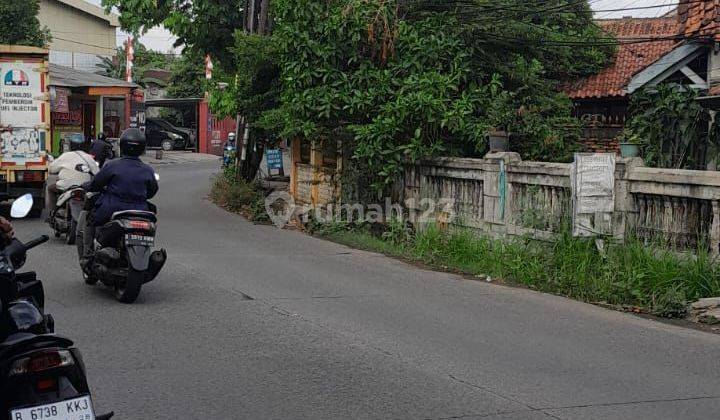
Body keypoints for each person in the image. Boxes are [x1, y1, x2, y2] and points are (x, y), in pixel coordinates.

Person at [45, 135, 99, 218]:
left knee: (50, 188)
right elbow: (97, 173)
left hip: (66, 186)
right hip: (84, 187)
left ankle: (52, 213)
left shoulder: (65, 155)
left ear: (70, 145)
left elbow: (52, 169)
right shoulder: (88, 157)